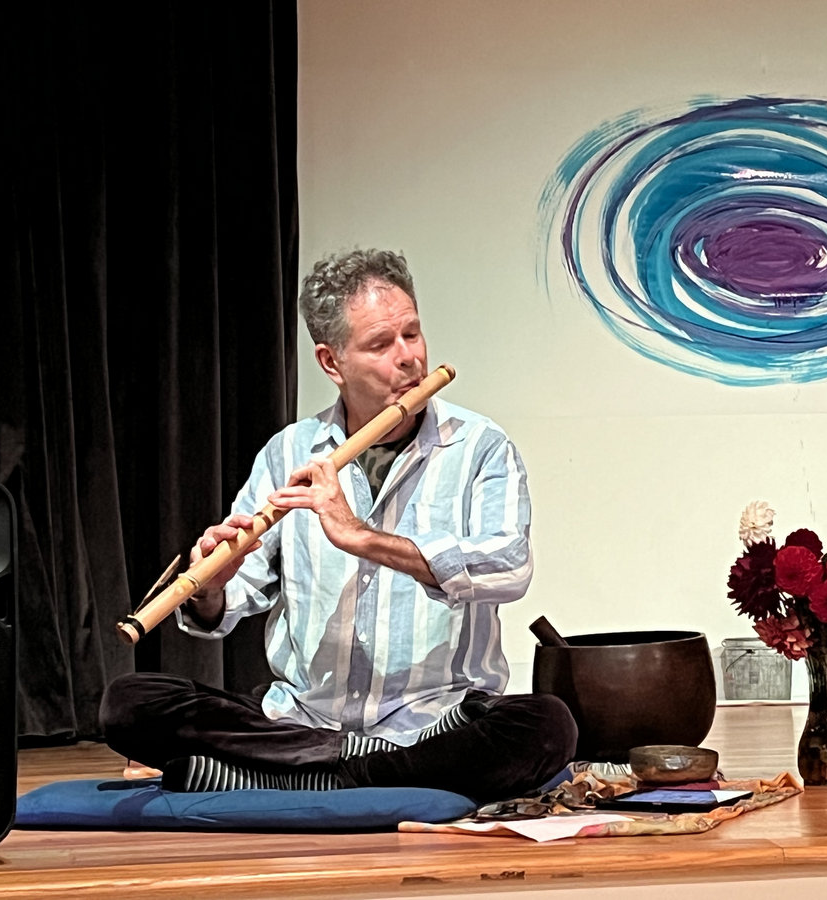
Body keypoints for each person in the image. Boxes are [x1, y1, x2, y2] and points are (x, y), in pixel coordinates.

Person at [100, 249, 577, 804]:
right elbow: (230, 604)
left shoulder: (480, 447)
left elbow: (509, 568)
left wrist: (361, 537)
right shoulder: (289, 451)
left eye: (412, 334)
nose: (409, 358)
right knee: (130, 704)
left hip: (434, 722)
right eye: (381, 344)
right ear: (332, 362)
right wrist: (211, 587)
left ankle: (286, 777)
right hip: (303, 723)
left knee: (546, 725)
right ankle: (355, 772)